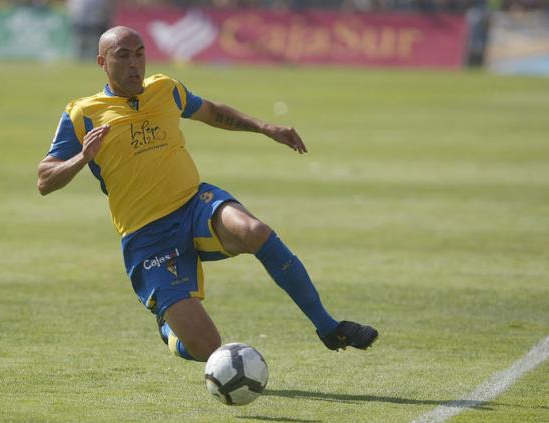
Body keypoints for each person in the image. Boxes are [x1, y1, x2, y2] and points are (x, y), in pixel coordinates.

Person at [37, 26, 378, 362]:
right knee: (208, 351)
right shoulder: (82, 114)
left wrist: (265, 127)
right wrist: (83, 157)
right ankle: (169, 330)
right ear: (102, 62)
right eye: (122, 56)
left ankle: (329, 328)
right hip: (147, 237)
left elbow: (212, 111)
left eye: (139, 54)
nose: (134, 64)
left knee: (254, 231)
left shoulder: (165, 88)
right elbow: (45, 180)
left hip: (193, 205)